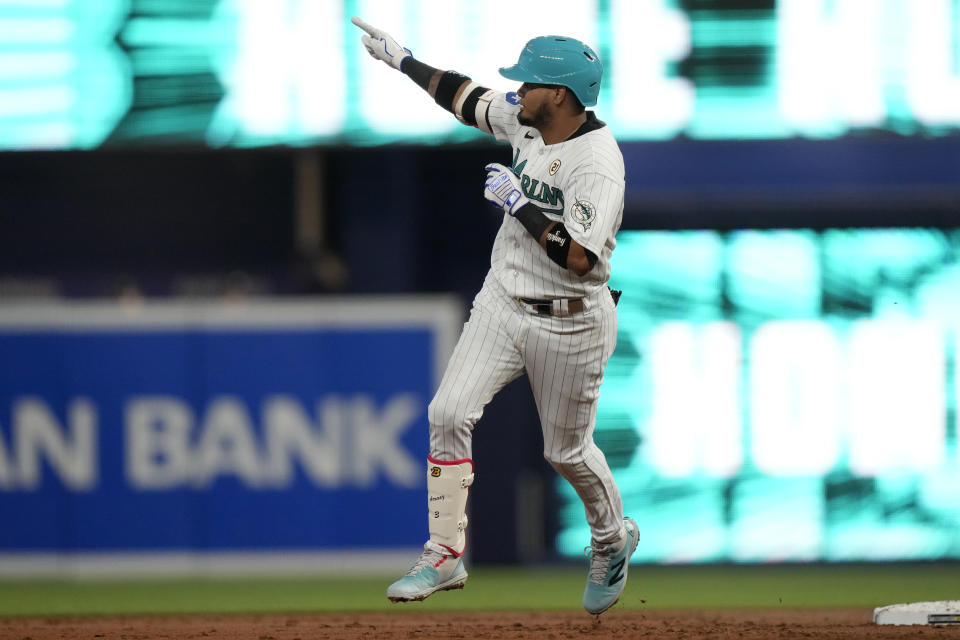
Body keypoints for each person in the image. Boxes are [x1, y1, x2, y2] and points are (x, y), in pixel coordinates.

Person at [351, 17, 636, 616]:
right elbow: (465, 98)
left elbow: (582, 259)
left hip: (573, 318)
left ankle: (612, 538)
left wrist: (521, 205)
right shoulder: (529, 121)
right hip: (504, 302)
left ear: (558, 95)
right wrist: (403, 61)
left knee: (566, 452)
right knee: (448, 411)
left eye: (528, 83)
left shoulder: (598, 163)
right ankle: (444, 553)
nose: (517, 89)